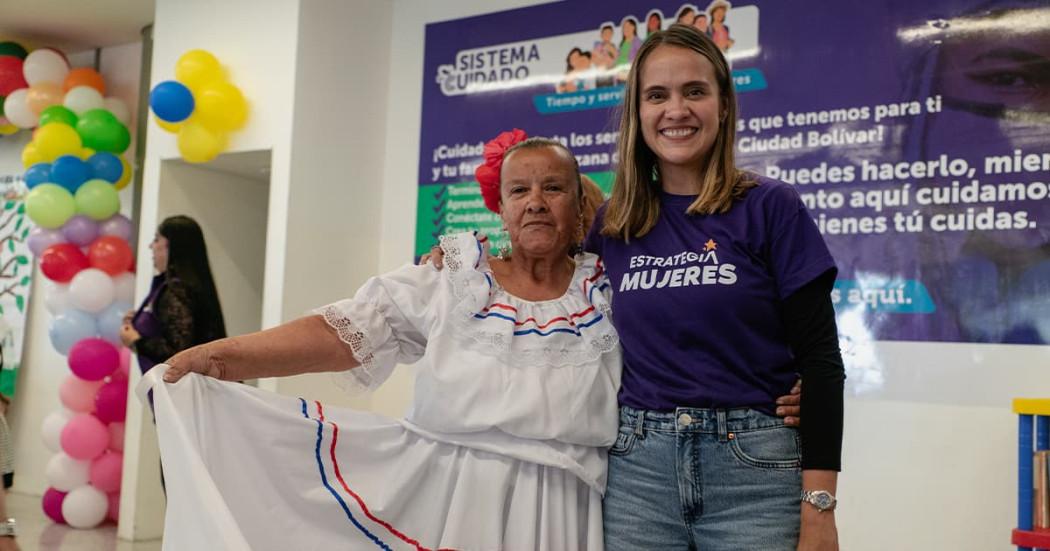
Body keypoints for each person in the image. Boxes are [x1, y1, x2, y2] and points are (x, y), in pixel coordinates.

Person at [153, 133, 622, 549]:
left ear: (579, 202)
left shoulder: (606, 291)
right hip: (455, 503)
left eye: (553, 188)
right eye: (519, 190)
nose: (535, 202)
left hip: (570, 506)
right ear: (499, 206)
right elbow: (341, 333)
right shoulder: (453, 278)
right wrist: (221, 358)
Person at [587, 24, 843, 550]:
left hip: (756, 471)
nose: (675, 110)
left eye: (695, 92)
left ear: (723, 105)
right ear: (637, 113)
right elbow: (540, 292)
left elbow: (820, 361)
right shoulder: (614, 223)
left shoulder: (771, 207)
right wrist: (458, 262)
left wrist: (820, 509)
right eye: (657, 95)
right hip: (637, 475)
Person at [120, 215, 227, 378]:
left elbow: (178, 352)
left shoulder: (177, 289)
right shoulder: (178, 287)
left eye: (156, 240)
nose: (151, 246)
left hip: (188, 395)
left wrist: (136, 341)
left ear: (172, 246)